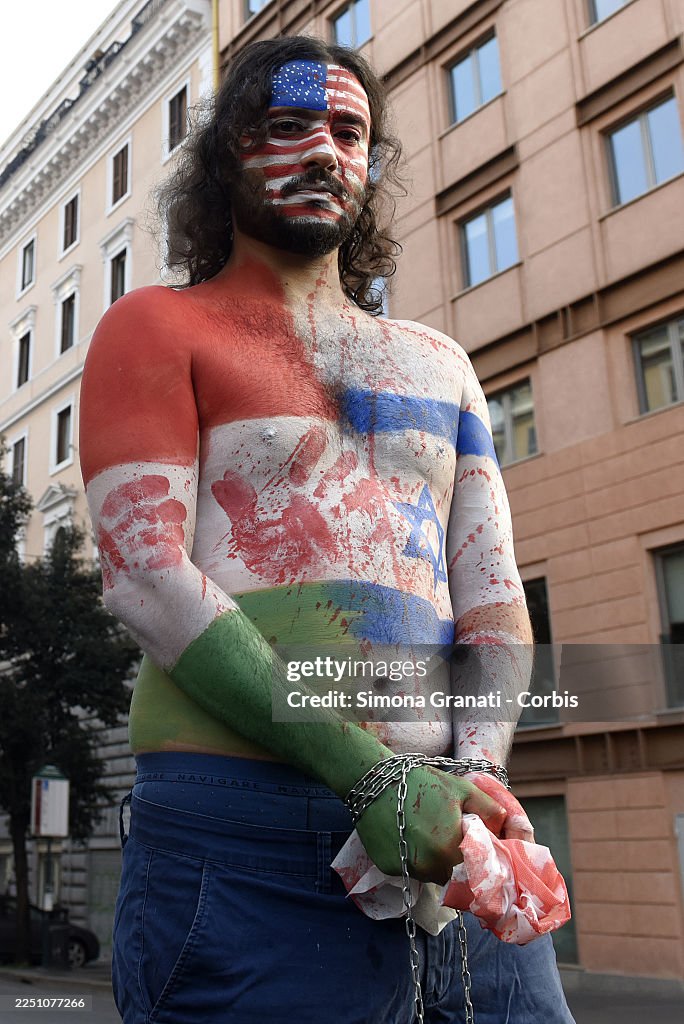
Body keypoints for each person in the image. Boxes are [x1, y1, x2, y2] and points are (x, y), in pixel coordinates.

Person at [80, 35, 575, 1024]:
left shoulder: (441, 363)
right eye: (288, 127)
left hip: (448, 838)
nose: (324, 151)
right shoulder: (159, 326)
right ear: (229, 156)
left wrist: (469, 775)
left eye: (348, 130)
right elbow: (145, 573)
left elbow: (491, 598)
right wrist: (371, 775)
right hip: (247, 838)